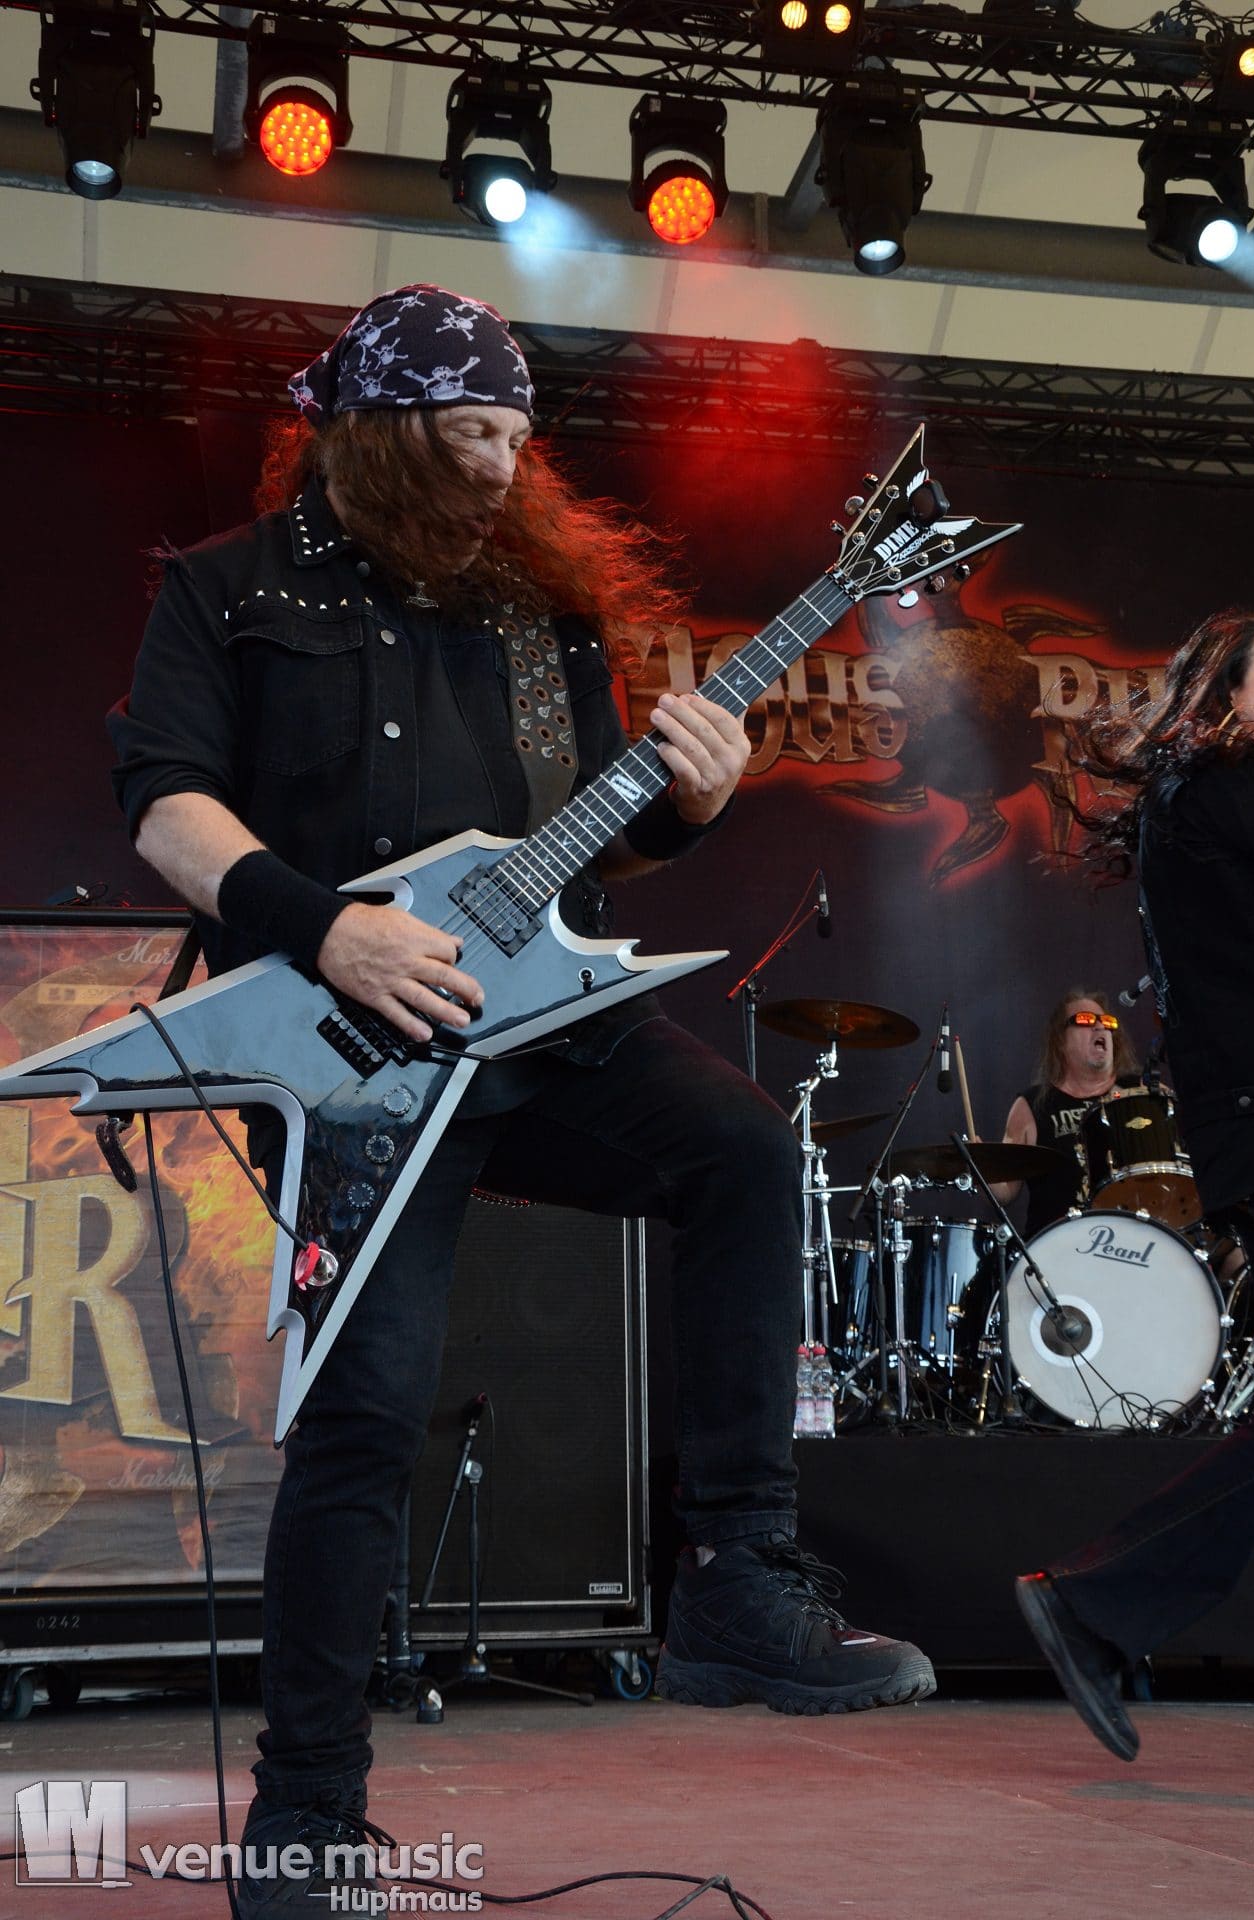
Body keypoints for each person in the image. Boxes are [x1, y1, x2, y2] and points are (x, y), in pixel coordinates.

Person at [106, 285, 935, 1915]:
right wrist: (326, 927)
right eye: (472, 432)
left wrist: (690, 803)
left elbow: (588, 830)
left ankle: (734, 1579)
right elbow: (164, 806)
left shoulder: (537, 613)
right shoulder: (229, 587)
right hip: (346, 1049)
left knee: (741, 1152)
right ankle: (306, 1822)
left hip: (536, 1028)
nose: (502, 465)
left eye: (516, 437)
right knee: (365, 1410)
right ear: (382, 429)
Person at [1014, 608, 1254, 1761]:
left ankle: (1098, 1602)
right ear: (1227, 698)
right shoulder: (1223, 791)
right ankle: (1096, 1599)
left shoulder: (1207, 797)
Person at [992, 988, 1140, 1234]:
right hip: (1056, 1246)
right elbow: (1005, 1190)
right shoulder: (1032, 1106)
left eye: (1106, 1022)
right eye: (1085, 1020)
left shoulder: (1141, 1091)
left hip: (1134, 1239)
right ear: (1060, 1040)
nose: (1100, 1027)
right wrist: (979, 1165)